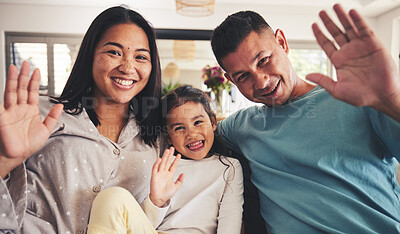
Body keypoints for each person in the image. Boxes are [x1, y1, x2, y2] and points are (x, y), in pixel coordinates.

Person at [211, 3, 400, 233]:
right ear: (231, 81)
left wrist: (391, 98)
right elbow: (185, 131)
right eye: (243, 76)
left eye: (263, 61)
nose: (261, 82)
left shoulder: (360, 99)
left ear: (282, 43)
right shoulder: (241, 126)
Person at [0, 6, 162, 233]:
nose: (127, 67)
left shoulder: (155, 137)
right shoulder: (42, 114)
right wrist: (5, 160)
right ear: (90, 55)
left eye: (141, 57)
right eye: (114, 52)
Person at [86, 85, 243, 234]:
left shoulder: (229, 167)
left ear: (213, 122)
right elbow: (143, 224)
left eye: (198, 122)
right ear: (168, 137)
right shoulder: (162, 166)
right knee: (112, 197)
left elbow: (230, 221)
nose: (191, 134)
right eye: (179, 128)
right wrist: (157, 200)